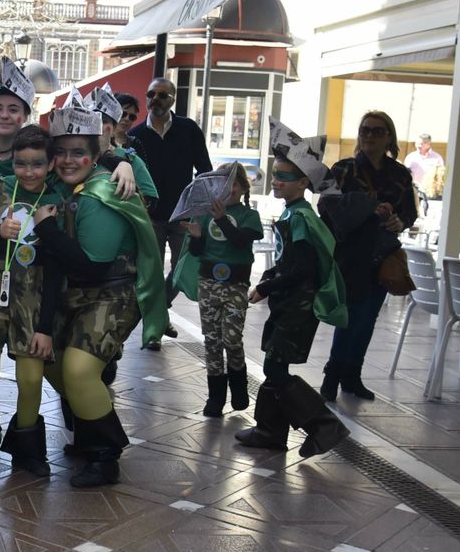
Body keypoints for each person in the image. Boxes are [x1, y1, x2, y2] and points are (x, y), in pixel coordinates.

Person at [33, 96, 167, 487]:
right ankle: (90, 430)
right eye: (61, 153)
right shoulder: (60, 187)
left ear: (95, 156)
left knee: (78, 370)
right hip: (76, 293)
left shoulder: (102, 193)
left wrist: (47, 231)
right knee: (51, 362)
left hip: (112, 293)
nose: (70, 160)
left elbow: (91, 264)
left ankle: (106, 455)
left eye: (79, 153)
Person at [236, 124, 349, 457]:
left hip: (298, 305)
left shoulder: (299, 217)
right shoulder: (295, 213)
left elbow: (302, 267)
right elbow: (291, 260)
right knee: (276, 366)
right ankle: (269, 431)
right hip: (290, 302)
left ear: (304, 183)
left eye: (284, 176)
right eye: (275, 174)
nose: (276, 181)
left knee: (275, 368)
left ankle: (324, 426)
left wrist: (267, 284)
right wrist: (270, 279)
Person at [0, 125, 64, 477]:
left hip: (34, 303)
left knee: (32, 378)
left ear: (50, 164)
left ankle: (28, 451)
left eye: (37, 163)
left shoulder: (57, 202)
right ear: (13, 162)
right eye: (22, 163)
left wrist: (46, 326)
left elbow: (58, 269)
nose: (29, 171)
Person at [319, 111, 416, 402]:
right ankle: (333, 373)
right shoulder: (343, 169)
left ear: (389, 137)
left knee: (369, 318)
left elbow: (409, 212)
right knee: (350, 316)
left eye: (377, 131)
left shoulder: (400, 173)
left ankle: (352, 375)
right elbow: (326, 206)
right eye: (365, 130)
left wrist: (399, 222)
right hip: (350, 253)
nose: (369, 136)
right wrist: (366, 207)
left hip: (382, 253)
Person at [127, 77, 212, 348]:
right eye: (151, 94)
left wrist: (198, 207)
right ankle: (153, 331)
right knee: (150, 272)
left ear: (173, 99)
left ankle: (160, 311)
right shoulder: (137, 136)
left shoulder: (188, 130)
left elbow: (205, 170)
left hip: (182, 215)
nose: (156, 100)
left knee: (181, 270)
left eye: (163, 95)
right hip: (150, 217)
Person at [172, 162, 263, 417]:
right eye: (222, 185)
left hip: (236, 284)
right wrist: (197, 237)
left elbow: (239, 240)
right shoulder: (203, 214)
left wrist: (221, 219)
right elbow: (197, 253)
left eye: (233, 183)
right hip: (208, 283)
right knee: (212, 341)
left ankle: (239, 386)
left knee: (231, 339)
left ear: (244, 187)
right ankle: (215, 396)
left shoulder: (249, 216)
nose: (229, 189)